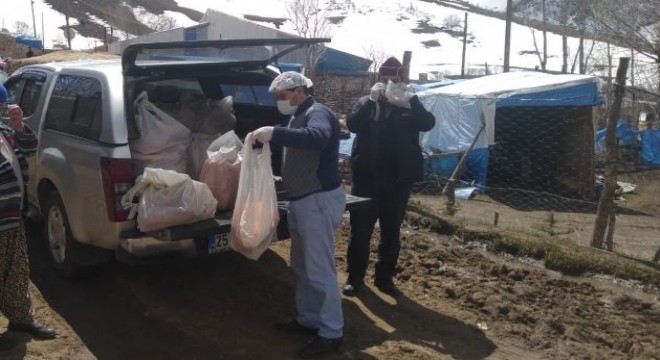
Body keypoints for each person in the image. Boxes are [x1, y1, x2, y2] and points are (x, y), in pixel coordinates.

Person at [250, 71, 345, 358]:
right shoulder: (298, 115)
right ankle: (308, 321)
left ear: (299, 91)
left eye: (282, 96)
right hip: (302, 200)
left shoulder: (318, 113)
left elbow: (317, 138)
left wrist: (274, 133)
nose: (280, 102)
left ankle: (331, 332)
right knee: (302, 267)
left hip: (317, 199)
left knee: (319, 269)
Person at [343, 57, 436, 298]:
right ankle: (355, 278)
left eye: (395, 79)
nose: (390, 83)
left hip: (398, 180)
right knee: (361, 230)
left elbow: (428, 124)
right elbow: (352, 125)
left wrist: (412, 100)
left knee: (391, 230)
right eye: (385, 79)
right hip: (367, 178)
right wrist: (371, 101)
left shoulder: (408, 105)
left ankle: (384, 278)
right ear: (378, 80)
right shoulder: (367, 102)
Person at [0, 84, 57, 351]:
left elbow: (30, 148)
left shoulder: (5, 132)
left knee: (17, 272)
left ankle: (21, 318)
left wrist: (19, 125)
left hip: (12, 218)